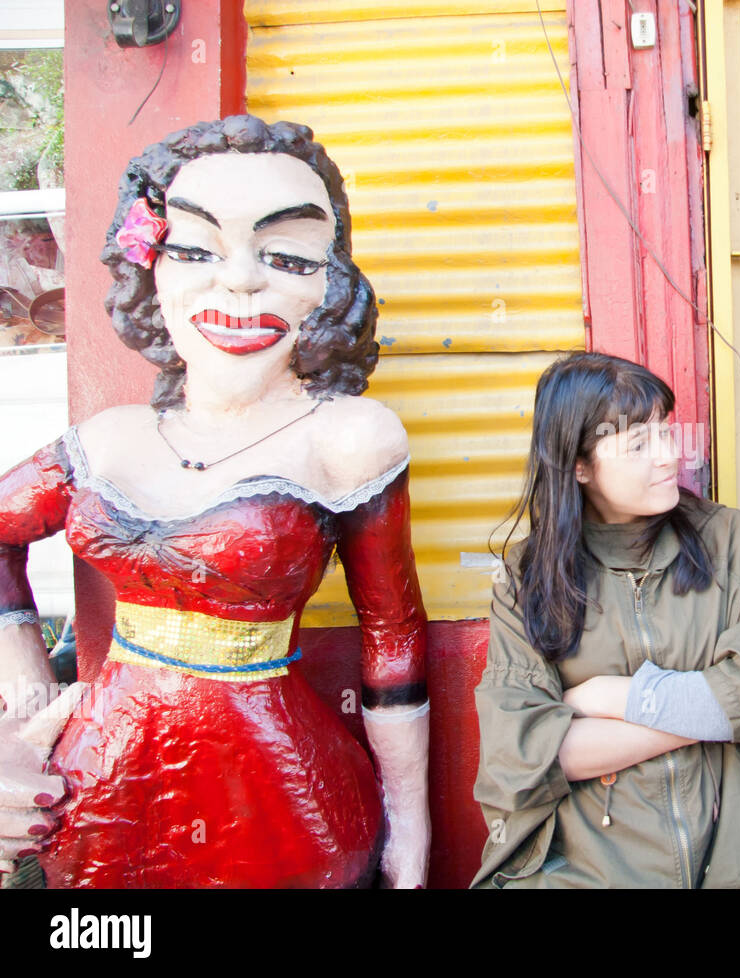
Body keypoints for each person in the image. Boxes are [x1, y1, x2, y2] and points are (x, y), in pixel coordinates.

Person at [0, 115, 430, 888]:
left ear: (329, 287)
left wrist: (413, 830)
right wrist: (22, 674)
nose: (238, 280)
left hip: (278, 796)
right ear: (149, 271)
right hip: (99, 786)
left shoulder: (350, 438)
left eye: (288, 255)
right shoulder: (106, 439)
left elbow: (393, 634)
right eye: (195, 249)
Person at [472, 352, 740, 888]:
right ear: (578, 466)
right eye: (638, 444)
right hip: (589, 868)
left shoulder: (731, 540)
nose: (668, 457)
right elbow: (526, 754)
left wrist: (607, 699)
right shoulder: (526, 579)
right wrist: (702, 718)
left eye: (666, 432)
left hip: (738, 856)